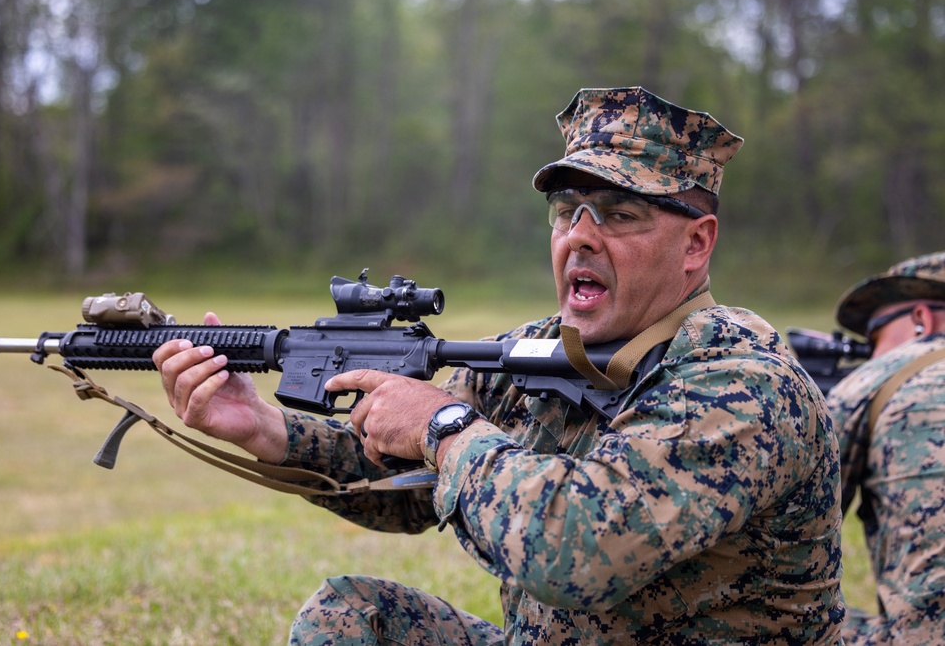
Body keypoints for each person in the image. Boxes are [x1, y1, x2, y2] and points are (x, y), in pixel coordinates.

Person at [153, 87, 844, 644]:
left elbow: (577, 552)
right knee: (353, 614)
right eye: (566, 211)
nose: (579, 236)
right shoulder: (539, 352)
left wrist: (447, 425)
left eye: (618, 213)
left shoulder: (746, 386)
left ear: (696, 244)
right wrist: (262, 427)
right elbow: (406, 477)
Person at [826, 252, 945, 644]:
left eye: (874, 336)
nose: (871, 354)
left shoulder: (874, 381)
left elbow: (782, 534)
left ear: (922, 320)